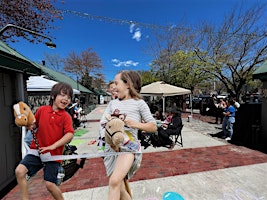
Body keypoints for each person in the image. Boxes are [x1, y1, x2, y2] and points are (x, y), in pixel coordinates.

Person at [99, 70, 157, 200]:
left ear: (127, 84)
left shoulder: (139, 103)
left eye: (116, 82)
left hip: (129, 148)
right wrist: (107, 139)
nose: (113, 86)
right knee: (119, 186)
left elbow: (153, 126)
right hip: (111, 148)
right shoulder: (112, 103)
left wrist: (136, 124)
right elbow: (103, 123)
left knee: (114, 181)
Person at [15, 82, 75, 200]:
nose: (66, 99)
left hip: (53, 154)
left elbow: (70, 134)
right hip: (37, 150)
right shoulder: (42, 110)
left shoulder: (66, 116)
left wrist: (53, 146)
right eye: (63, 95)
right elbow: (33, 126)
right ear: (53, 96)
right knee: (19, 171)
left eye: (68, 97)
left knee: (50, 184)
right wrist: (29, 125)